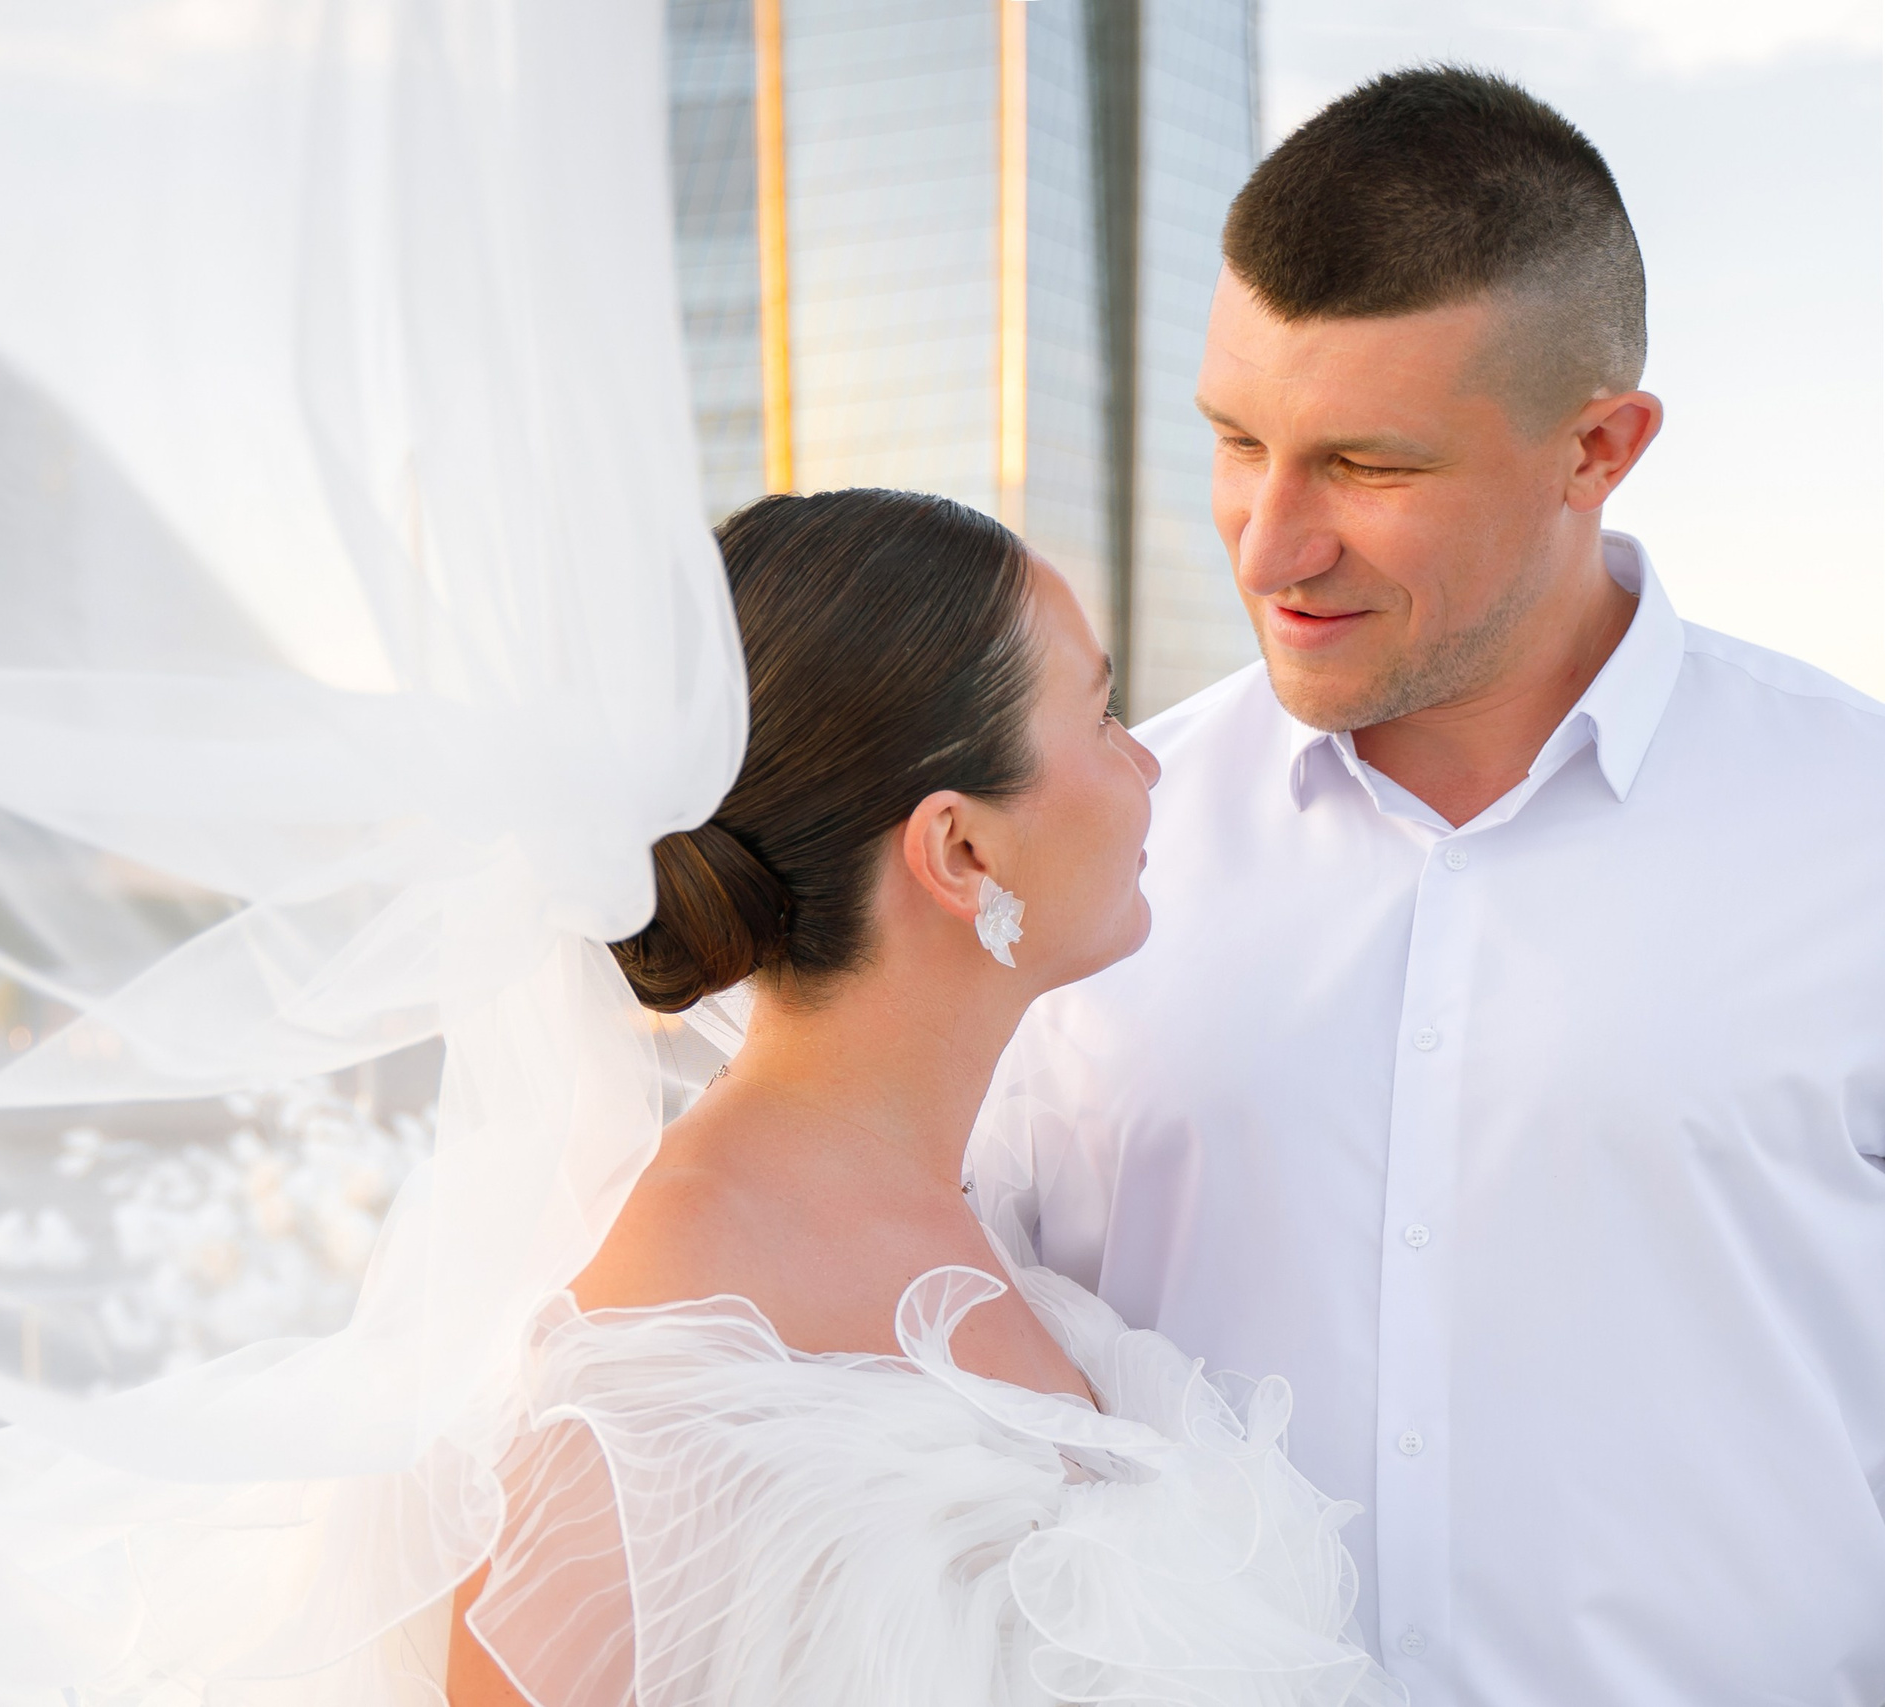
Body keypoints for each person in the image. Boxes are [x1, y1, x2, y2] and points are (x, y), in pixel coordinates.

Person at [970, 66, 1885, 1705]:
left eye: (1366, 466)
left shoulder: (1859, 833)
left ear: (1598, 448)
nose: (1266, 545)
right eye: (1237, 442)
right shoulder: (1074, 857)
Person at [444, 489, 1399, 1705]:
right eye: (1099, 717)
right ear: (959, 853)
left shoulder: (958, 1206)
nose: (1147, 762)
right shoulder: (656, 1361)